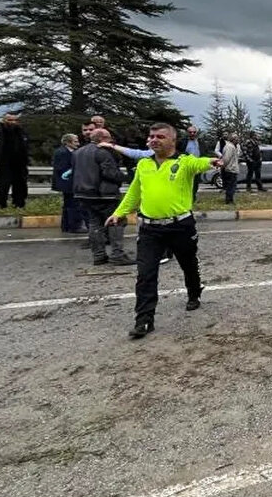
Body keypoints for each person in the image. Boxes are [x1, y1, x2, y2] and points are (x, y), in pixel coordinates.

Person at [107, 122, 221, 339]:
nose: (153, 140)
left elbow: (200, 163)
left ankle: (194, 293)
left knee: (188, 264)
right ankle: (144, 320)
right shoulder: (143, 165)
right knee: (145, 274)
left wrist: (213, 162)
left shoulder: (184, 162)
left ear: (172, 141)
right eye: (151, 136)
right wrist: (119, 212)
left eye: (160, 136)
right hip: (150, 229)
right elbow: (134, 193)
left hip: (181, 226)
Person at [74, 128, 134, 265]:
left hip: (84, 193)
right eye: (109, 138)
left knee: (95, 224)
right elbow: (109, 173)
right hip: (104, 194)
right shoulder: (103, 152)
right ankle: (117, 254)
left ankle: (98, 255)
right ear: (102, 139)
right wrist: (127, 177)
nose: (111, 140)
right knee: (116, 222)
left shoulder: (78, 152)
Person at [0, 112, 30, 209]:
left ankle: (19, 204)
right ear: (4, 120)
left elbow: (27, 147)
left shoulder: (22, 133)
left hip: (19, 164)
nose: (13, 122)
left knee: (20, 185)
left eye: (15, 120)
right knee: (2, 186)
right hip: (3, 165)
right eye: (10, 120)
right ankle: (0, 205)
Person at [52, 133, 86, 233]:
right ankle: (74, 226)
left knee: (69, 205)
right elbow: (62, 168)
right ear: (67, 142)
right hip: (68, 183)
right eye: (75, 141)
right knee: (73, 205)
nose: (78, 144)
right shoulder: (63, 152)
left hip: (68, 182)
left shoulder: (68, 151)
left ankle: (67, 226)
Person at [220, 134, 241, 204]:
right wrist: (223, 166)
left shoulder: (233, 147)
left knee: (232, 186)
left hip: (232, 169)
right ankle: (229, 200)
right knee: (230, 186)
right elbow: (226, 159)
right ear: (233, 139)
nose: (238, 140)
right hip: (230, 169)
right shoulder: (229, 147)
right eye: (237, 139)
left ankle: (230, 199)